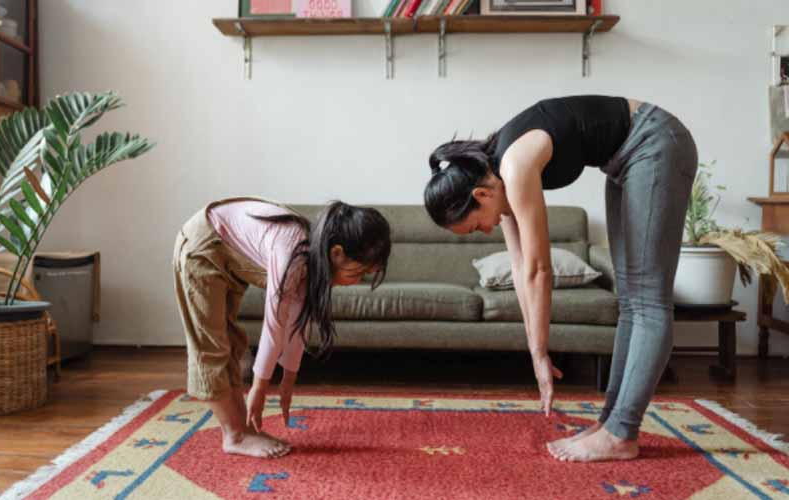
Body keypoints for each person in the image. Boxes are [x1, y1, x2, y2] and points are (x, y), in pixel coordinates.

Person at [423, 95, 698, 462]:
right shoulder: (496, 176)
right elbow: (520, 266)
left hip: (655, 142)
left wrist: (540, 354)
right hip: (625, 159)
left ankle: (621, 433)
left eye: (475, 225)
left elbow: (540, 269)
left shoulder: (515, 166)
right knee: (631, 301)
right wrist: (534, 348)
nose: (484, 229)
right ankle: (612, 424)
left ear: (481, 194)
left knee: (647, 298)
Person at [173, 197, 391, 458]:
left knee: (232, 344)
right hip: (203, 245)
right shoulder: (293, 253)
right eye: (359, 272)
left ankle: (243, 430)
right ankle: (235, 435)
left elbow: (296, 323)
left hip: (227, 254)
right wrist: (259, 387)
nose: (358, 281)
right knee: (211, 347)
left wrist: (288, 381)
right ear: (337, 253)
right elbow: (274, 322)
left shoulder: (313, 261)